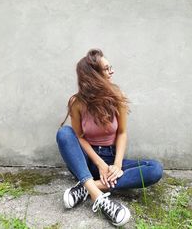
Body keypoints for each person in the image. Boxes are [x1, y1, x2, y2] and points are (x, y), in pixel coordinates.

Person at [56, 49, 163, 227]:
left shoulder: (116, 96)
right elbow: (79, 137)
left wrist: (117, 165)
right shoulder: (77, 102)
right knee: (64, 133)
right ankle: (99, 197)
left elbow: (121, 132)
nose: (112, 71)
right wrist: (100, 164)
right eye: (106, 69)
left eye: (110, 67)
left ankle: (86, 188)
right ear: (93, 75)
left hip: (112, 159)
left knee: (155, 169)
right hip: (86, 161)